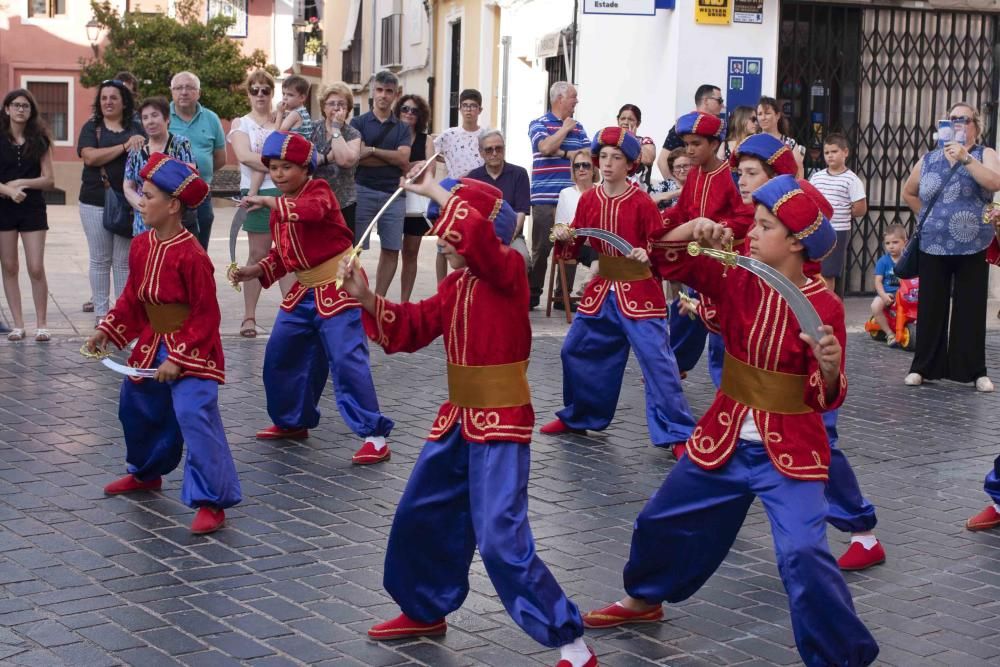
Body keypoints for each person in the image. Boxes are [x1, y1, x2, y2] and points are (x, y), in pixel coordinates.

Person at [585, 175, 880, 667]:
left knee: (805, 553)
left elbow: (825, 397)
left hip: (789, 452)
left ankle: (841, 657)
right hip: (723, 436)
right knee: (661, 519)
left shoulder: (822, 305)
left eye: (764, 227)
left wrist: (828, 368)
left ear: (796, 242)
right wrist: (691, 229)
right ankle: (645, 596)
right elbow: (659, 259)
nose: (751, 233)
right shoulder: (736, 272)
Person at [338, 175, 597, 667]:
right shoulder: (458, 282)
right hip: (457, 420)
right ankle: (424, 608)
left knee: (501, 539)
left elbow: (478, 240)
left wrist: (436, 189)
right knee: (422, 515)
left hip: (501, 425)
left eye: (446, 224)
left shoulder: (510, 269)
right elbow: (415, 326)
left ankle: (572, 641)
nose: (441, 235)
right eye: (439, 225)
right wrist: (366, 298)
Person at [727, 134, 886, 571]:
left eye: (752, 173)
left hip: (799, 342)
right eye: (739, 172)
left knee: (820, 439)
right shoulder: (752, 214)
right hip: (752, 336)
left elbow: (806, 266)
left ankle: (860, 528)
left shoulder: (798, 207)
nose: (741, 181)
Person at [85, 154, 241, 535]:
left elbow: (206, 316)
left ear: (173, 205)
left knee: (193, 413)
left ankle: (212, 500)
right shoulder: (140, 246)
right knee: (135, 405)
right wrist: (107, 329)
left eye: (148, 195)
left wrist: (180, 357)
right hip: (151, 344)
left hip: (193, 347)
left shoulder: (193, 256)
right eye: (141, 193)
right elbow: (133, 301)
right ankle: (145, 473)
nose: (140, 200)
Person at [229, 131, 394, 465]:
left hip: (340, 287)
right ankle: (293, 421)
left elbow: (312, 212)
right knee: (280, 355)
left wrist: (270, 201)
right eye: (273, 167)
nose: (278, 174)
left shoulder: (318, 191)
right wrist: (254, 270)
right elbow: (283, 255)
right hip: (304, 292)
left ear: (305, 168)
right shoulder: (281, 206)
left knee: (347, 361)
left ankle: (374, 436)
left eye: (286, 167)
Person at [541, 127, 695, 450]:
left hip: (640, 291)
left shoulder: (641, 202)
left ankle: (678, 433)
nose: (608, 164)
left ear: (630, 165)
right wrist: (574, 244)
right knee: (574, 349)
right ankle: (579, 416)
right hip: (602, 292)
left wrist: (647, 253)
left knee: (657, 361)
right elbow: (577, 241)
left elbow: (660, 244)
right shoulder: (589, 200)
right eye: (604, 157)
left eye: (617, 158)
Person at [901, 102, 1000, 391]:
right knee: (931, 306)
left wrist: (966, 159)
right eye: (952, 119)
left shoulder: (984, 154)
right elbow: (909, 192)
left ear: (975, 126)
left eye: (964, 119)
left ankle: (974, 370)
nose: (958, 123)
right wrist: (930, 219)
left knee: (970, 306)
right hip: (934, 243)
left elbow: (994, 182)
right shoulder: (929, 158)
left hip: (973, 243)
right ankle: (923, 367)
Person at [78, 79, 144, 327]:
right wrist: (124, 146)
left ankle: (123, 314)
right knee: (99, 258)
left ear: (124, 101)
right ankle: (102, 314)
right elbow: (90, 157)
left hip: (128, 202)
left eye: (113, 97)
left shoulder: (138, 127)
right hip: (94, 200)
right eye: (104, 98)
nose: (108, 102)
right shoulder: (92, 127)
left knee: (123, 261)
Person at [228, 69, 284, 338]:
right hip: (255, 193)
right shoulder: (241, 123)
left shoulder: (281, 121)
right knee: (257, 254)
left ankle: (290, 313)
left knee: (288, 253)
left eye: (265, 90)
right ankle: (249, 316)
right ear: (248, 93)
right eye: (255, 89)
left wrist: (268, 159)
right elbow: (243, 155)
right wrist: (275, 160)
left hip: (283, 192)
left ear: (272, 93)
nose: (260, 94)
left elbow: (291, 153)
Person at [527, 81, 589, 309]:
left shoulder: (579, 128)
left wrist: (562, 151)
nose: (576, 101)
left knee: (571, 244)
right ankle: (533, 294)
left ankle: (563, 295)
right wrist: (564, 130)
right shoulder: (538, 124)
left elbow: (586, 154)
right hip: (545, 197)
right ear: (560, 99)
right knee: (542, 247)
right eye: (573, 97)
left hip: (573, 197)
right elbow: (544, 147)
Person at [351, 70, 412, 297]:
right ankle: (356, 297)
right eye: (379, 90)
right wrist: (390, 157)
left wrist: (373, 151)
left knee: (391, 249)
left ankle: (378, 301)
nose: (383, 95)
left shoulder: (403, 128)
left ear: (396, 94)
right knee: (354, 249)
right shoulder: (358, 122)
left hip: (394, 195)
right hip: (361, 190)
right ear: (372, 92)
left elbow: (403, 158)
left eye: (388, 91)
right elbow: (357, 155)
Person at [0, 89, 53, 342]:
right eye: (16, 105)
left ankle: (41, 323)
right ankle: (18, 325)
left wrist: (22, 182)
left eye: (26, 106)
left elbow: (49, 179)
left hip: (32, 208)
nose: (21, 109)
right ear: (7, 109)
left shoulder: (39, 139)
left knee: (35, 266)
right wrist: (9, 190)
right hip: (4, 208)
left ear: (31, 111)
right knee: (9, 266)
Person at [432, 88, 486, 283]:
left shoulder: (486, 134)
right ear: (459, 109)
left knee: (471, 243)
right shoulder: (449, 135)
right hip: (452, 194)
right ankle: (441, 285)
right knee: (443, 240)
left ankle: (471, 283)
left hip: (477, 194)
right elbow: (433, 152)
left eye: (473, 106)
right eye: (465, 106)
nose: (469, 110)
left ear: (480, 109)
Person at [168, 71, 226, 250]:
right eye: (179, 88)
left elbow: (220, 158)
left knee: (199, 248)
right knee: (170, 246)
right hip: (168, 195)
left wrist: (201, 176)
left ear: (198, 93)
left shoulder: (211, 118)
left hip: (200, 195)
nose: (184, 92)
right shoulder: (162, 117)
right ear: (172, 92)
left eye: (190, 88)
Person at [123, 97, 195, 236]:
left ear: (167, 118)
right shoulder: (136, 150)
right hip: (142, 225)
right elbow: (128, 186)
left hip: (173, 223)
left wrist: (162, 209)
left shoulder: (181, 144)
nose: (150, 121)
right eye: (145, 118)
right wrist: (145, 206)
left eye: (155, 115)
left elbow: (189, 179)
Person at [810, 133, 867, 291]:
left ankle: (829, 307)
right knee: (815, 270)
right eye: (827, 152)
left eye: (834, 151)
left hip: (838, 230)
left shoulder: (851, 179)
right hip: (817, 229)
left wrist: (843, 212)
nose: (830, 156)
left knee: (829, 272)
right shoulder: (817, 177)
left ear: (845, 152)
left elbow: (860, 208)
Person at [245, 75, 314, 203]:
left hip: (291, 150)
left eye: (290, 95)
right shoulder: (303, 111)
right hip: (299, 152)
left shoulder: (294, 114)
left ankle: (251, 193)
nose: (285, 98)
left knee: (262, 160)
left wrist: (280, 113)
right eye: (284, 94)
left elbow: (278, 133)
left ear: (302, 97)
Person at [467, 129, 532, 266]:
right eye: (489, 150)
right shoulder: (473, 178)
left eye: (498, 148)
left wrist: (508, 238)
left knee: (523, 259)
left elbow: (521, 212)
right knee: (467, 260)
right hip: (481, 238)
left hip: (512, 236)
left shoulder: (519, 174)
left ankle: (520, 288)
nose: (495, 153)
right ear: (481, 153)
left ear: (504, 149)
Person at [395, 94, 433, 302]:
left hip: (416, 201)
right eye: (405, 109)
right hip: (393, 198)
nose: (409, 113)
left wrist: (403, 165)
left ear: (421, 116)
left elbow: (430, 170)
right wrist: (413, 165)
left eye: (414, 111)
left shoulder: (425, 140)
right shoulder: (391, 136)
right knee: (390, 251)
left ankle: (404, 302)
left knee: (410, 253)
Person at [311, 82, 362, 239]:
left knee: (342, 254)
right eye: (331, 103)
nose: (336, 108)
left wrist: (335, 129)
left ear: (348, 109)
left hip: (344, 204)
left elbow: (344, 161)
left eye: (341, 104)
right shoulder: (312, 129)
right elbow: (305, 160)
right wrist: (325, 158)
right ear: (323, 107)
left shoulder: (353, 134)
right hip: (315, 202)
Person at [552, 148, 599, 300]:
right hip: (575, 243)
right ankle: (569, 293)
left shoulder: (602, 192)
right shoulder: (566, 193)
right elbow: (559, 223)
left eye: (586, 165)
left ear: (593, 169)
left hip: (597, 243)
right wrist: (561, 231)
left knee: (603, 249)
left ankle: (589, 282)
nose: (581, 169)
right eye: (577, 166)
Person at [655, 84, 724, 182]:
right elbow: (662, 161)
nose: (722, 105)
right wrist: (678, 189)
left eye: (696, 143)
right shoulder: (683, 127)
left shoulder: (721, 128)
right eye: (719, 100)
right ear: (705, 101)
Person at [870, 224, 907, 345]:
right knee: (875, 306)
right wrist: (883, 295)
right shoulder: (883, 261)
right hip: (887, 293)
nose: (891, 246)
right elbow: (878, 282)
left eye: (895, 242)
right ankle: (889, 333)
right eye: (887, 243)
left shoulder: (908, 261)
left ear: (905, 242)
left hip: (905, 294)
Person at [756, 96, 805, 178]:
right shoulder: (753, 141)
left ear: (777, 115)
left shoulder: (789, 143)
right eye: (760, 114)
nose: (763, 118)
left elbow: (799, 172)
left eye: (767, 113)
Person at [616, 104, 655, 189]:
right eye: (623, 118)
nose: (626, 122)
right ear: (618, 121)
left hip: (639, 193)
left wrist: (632, 139)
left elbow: (648, 159)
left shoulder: (644, 141)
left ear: (638, 123)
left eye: (630, 119)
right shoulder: (612, 141)